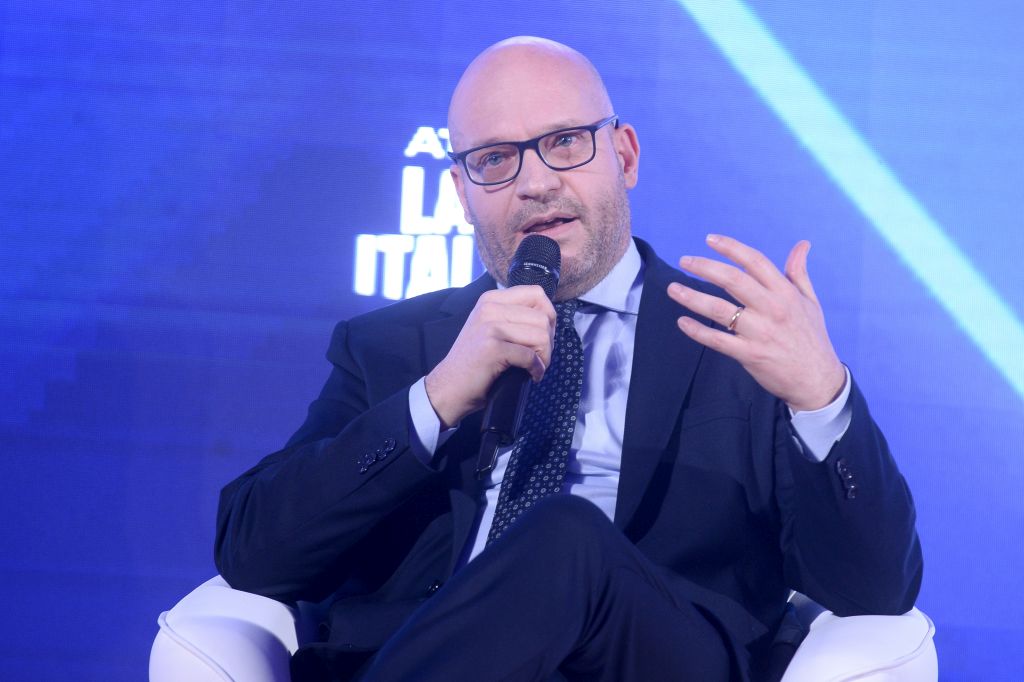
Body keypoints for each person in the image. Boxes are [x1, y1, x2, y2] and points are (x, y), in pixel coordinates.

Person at [215, 36, 922, 681]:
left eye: (564, 142)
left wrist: (820, 396)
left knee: (563, 535)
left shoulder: (740, 343)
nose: (535, 183)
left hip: (649, 657)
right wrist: (437, 398)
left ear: (625, 156)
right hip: (429, 656)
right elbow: (253, 554)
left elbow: (873, 588)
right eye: (496, 160)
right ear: (462, 193)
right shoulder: (393, 347)